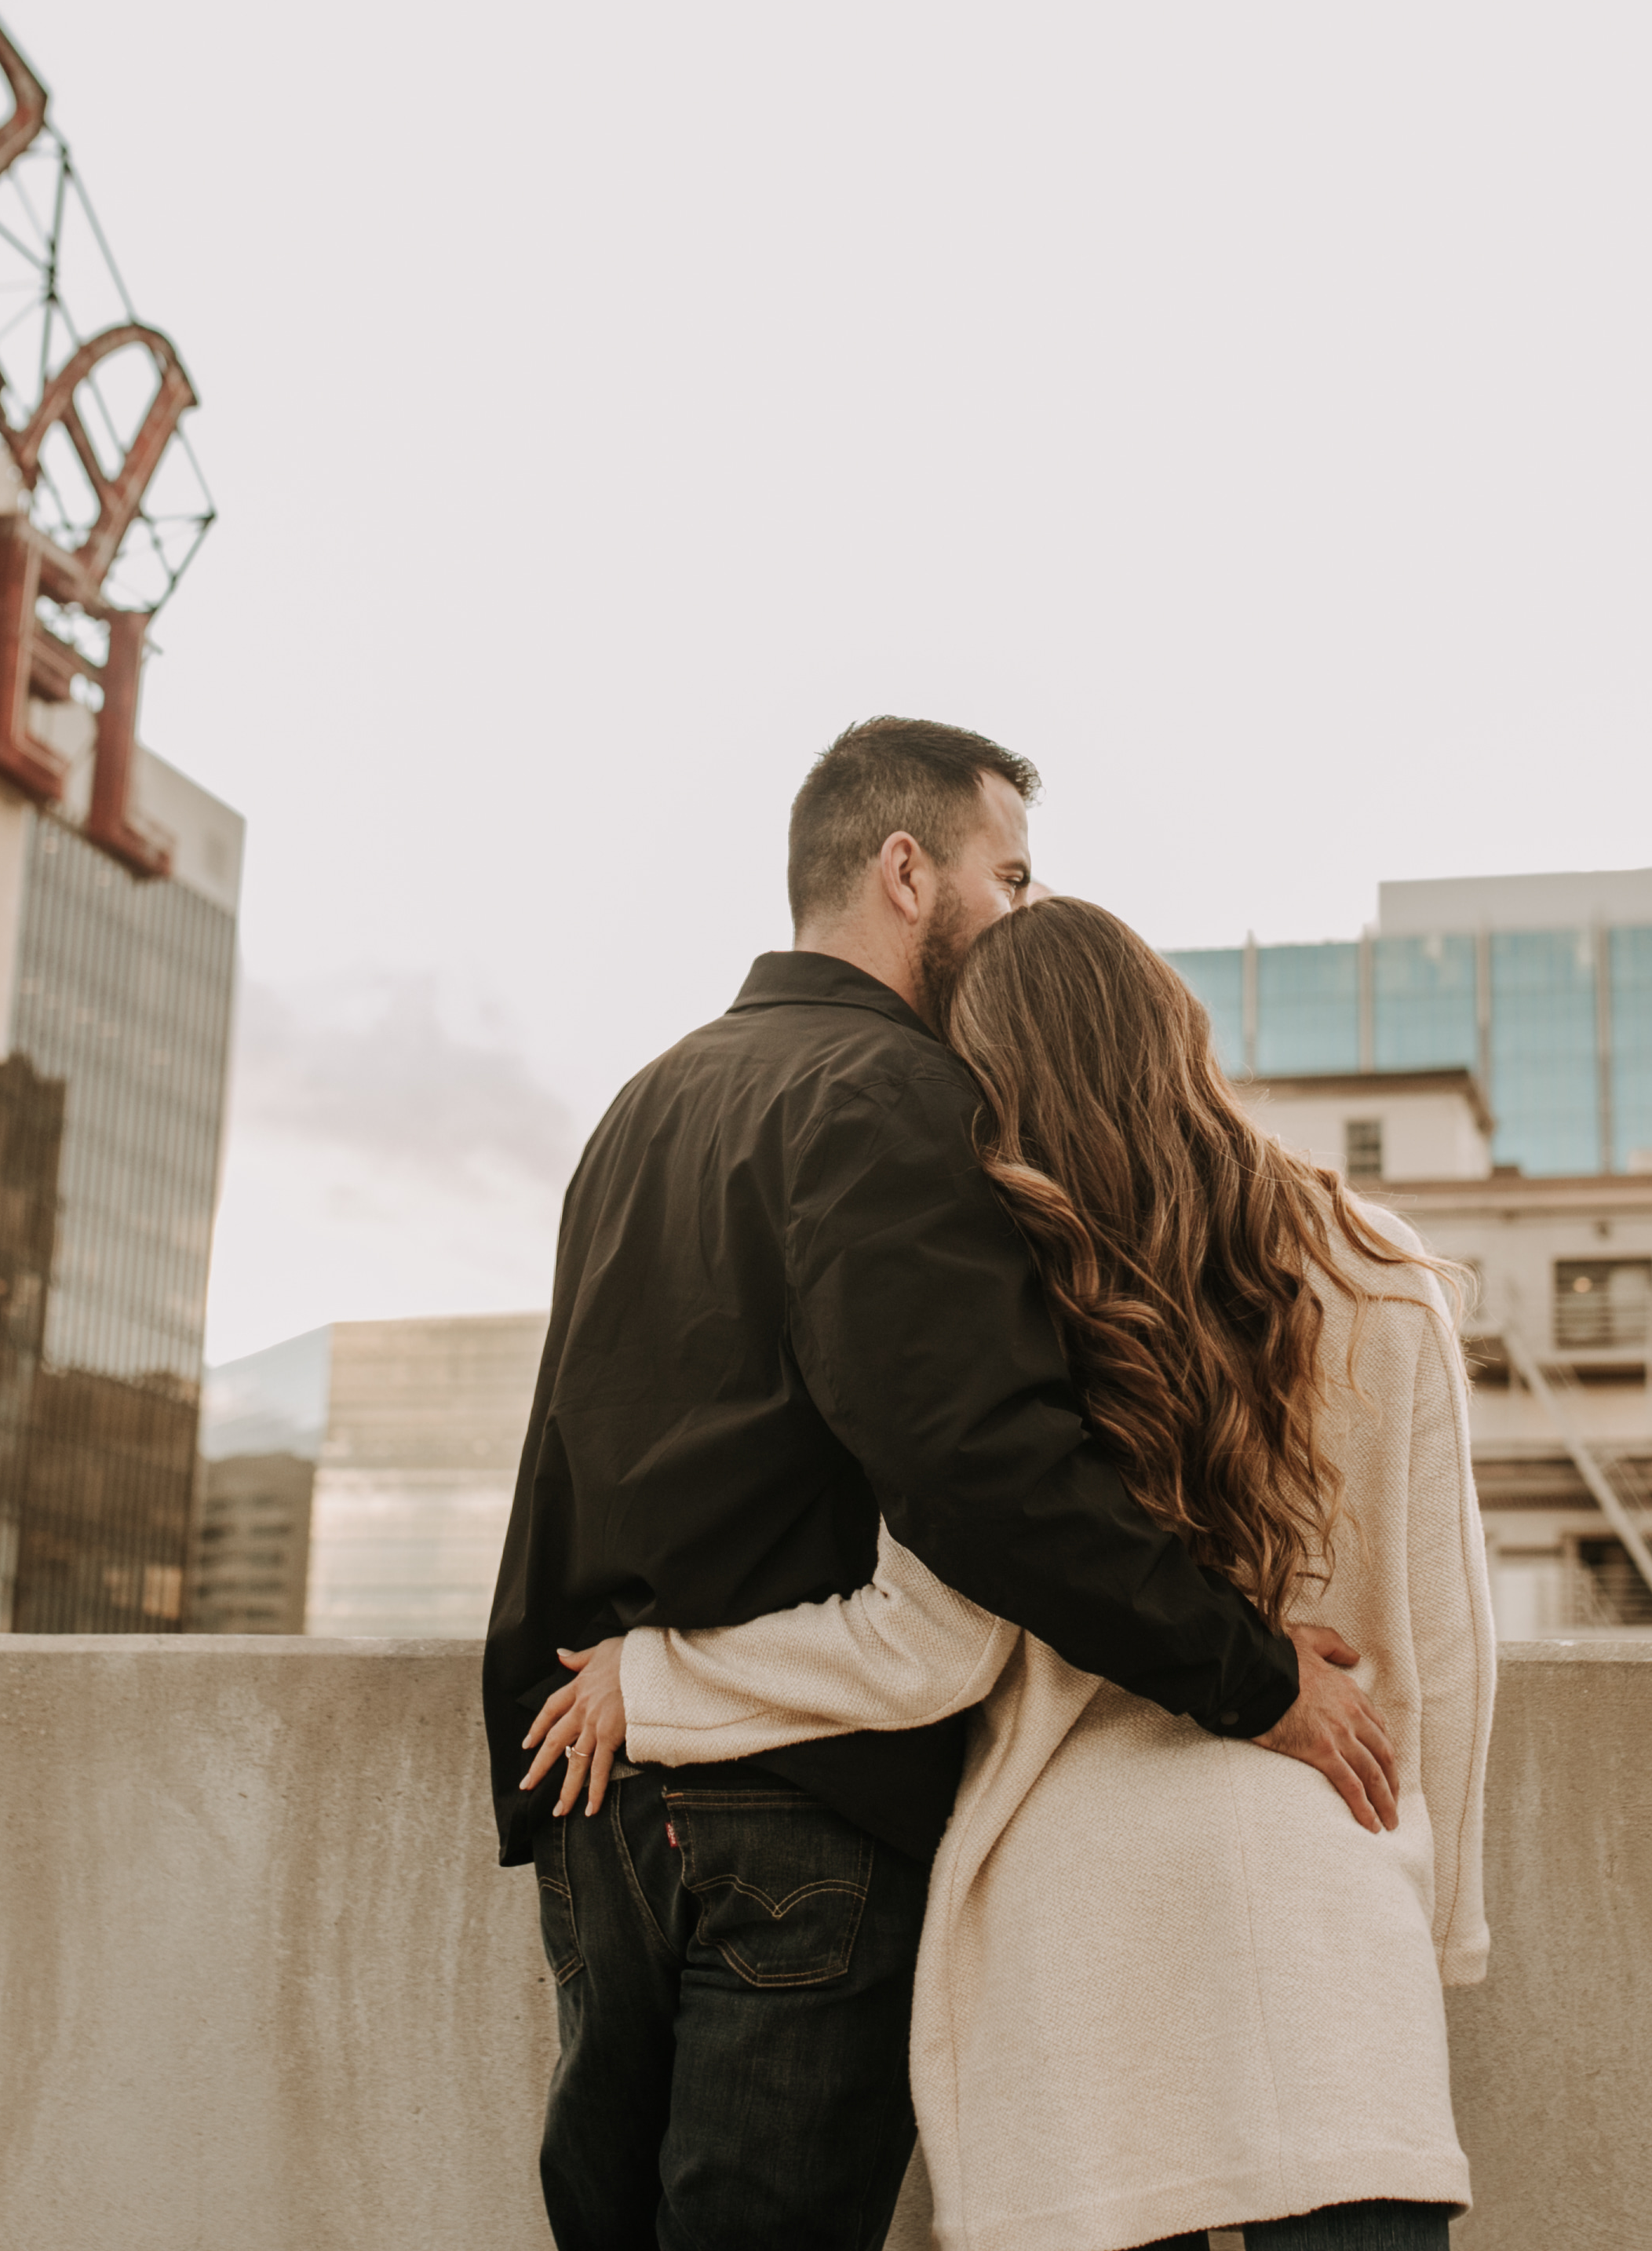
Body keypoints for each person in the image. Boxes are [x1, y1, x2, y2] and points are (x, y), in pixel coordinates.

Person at [484, 719, 1405, 2251]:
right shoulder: (903, 1101)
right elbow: (990, 1481)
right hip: (803, 1818)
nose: (1028, 913)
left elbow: (564, 1454)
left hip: (596, 1809)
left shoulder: (641, 1105)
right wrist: (1255, 1678)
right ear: (907, 872)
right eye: (1012, 873)